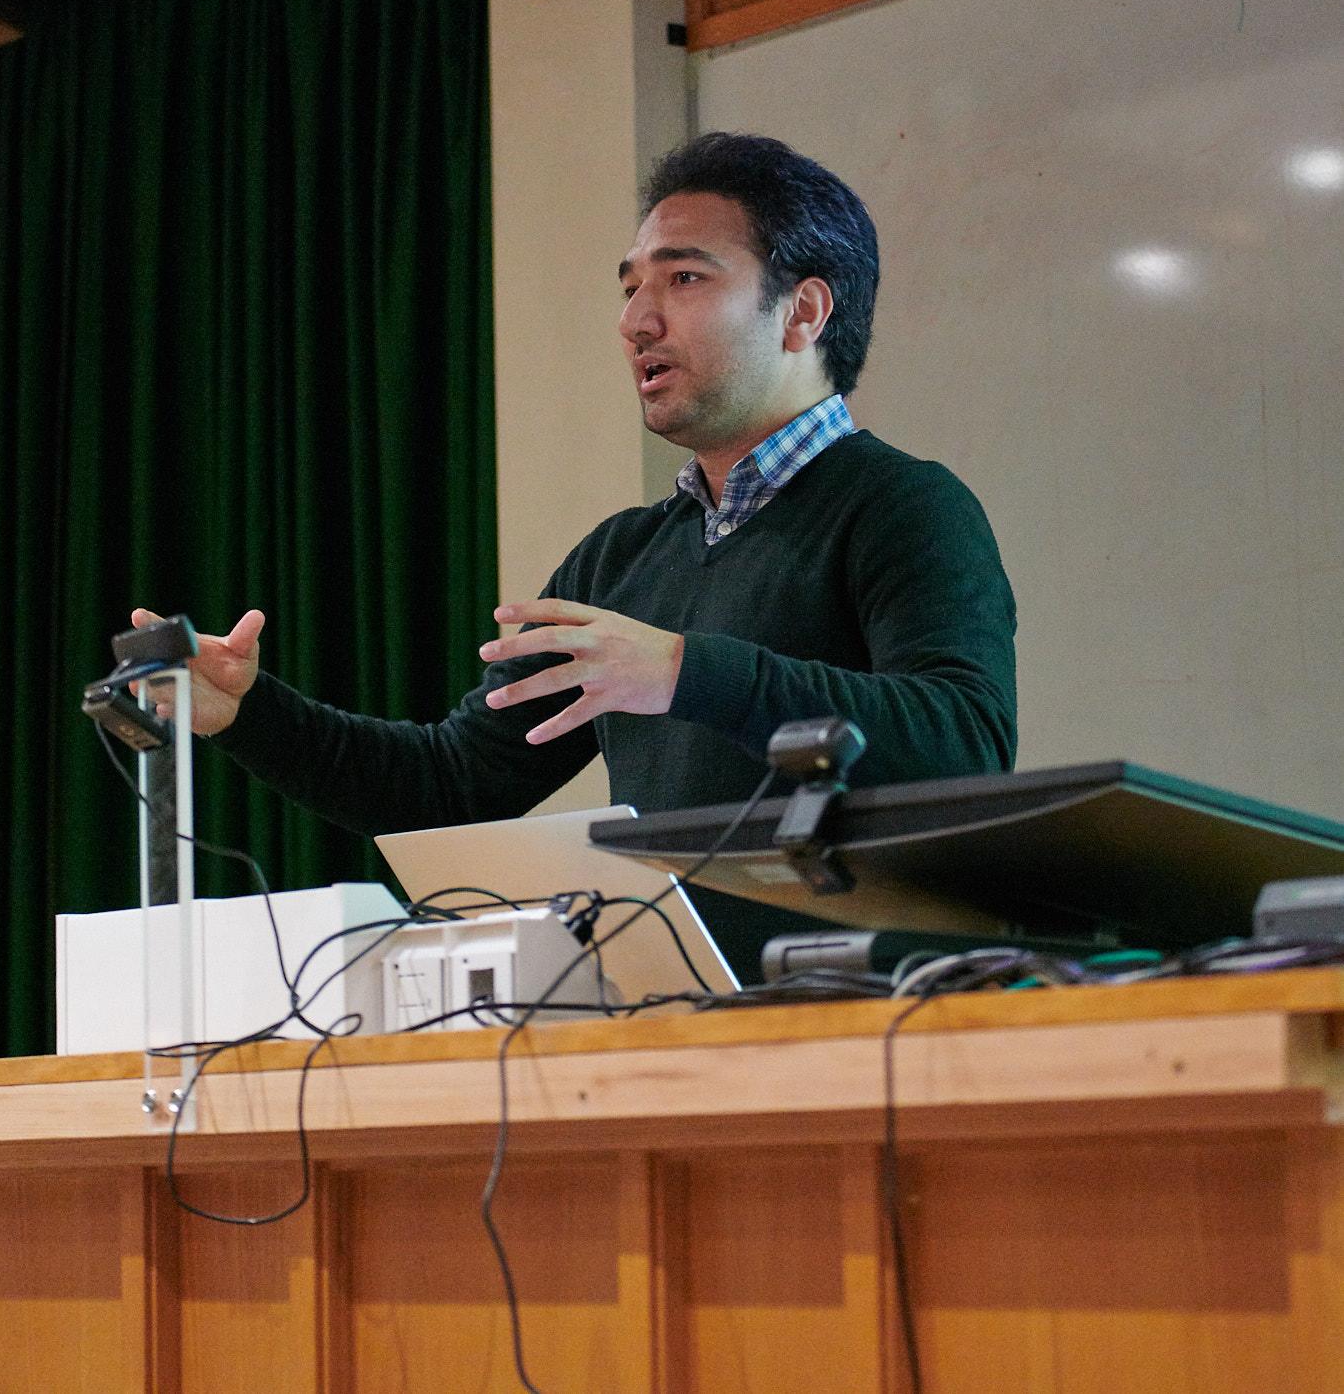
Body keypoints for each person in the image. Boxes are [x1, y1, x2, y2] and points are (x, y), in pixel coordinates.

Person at [135, 132, 1017, 978]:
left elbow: (965, 744)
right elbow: (450, 785)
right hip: (664, 1021)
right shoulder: (621, 560)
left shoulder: (905, 506)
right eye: (630, 287)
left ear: (804, 311)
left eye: (682, 278)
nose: (636, 320)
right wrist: (248, 714)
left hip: (861, 1026)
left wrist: (682, 670)